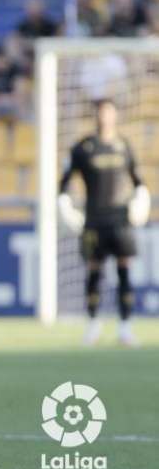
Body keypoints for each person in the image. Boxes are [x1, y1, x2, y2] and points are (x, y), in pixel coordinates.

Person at [58, 99, 149, 347]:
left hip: (120, 220)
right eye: (101, 112)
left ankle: (126, 327)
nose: (105, 117)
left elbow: (138, 181)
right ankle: (93, 325)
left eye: (109, 112)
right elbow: (64, 182)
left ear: (115, 116)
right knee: (94, 271)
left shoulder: (124, 146)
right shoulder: (83, 148)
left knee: (124, 271)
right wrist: (65, 205)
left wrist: (142, 199)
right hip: (94, 220)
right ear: (96, 116)